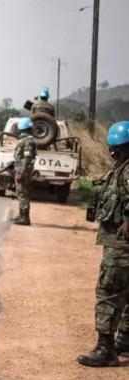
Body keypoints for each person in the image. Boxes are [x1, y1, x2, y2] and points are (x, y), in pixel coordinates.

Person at [78, 120, 129, 367]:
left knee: (108, 293)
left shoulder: (127, 171)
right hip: (121, 246)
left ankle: (105, 349)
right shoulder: (120, 170)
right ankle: (125, 342)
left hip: (121, 248)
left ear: (115, 149)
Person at [12, 117, 37, 226]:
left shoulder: (27, 141)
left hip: (23, 171)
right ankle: (21, 215)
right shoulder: (26, 140)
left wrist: (21, 172)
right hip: (22, 169)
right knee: (21, 193)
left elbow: (27, 158)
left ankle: (25, 218)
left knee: (23, 194)